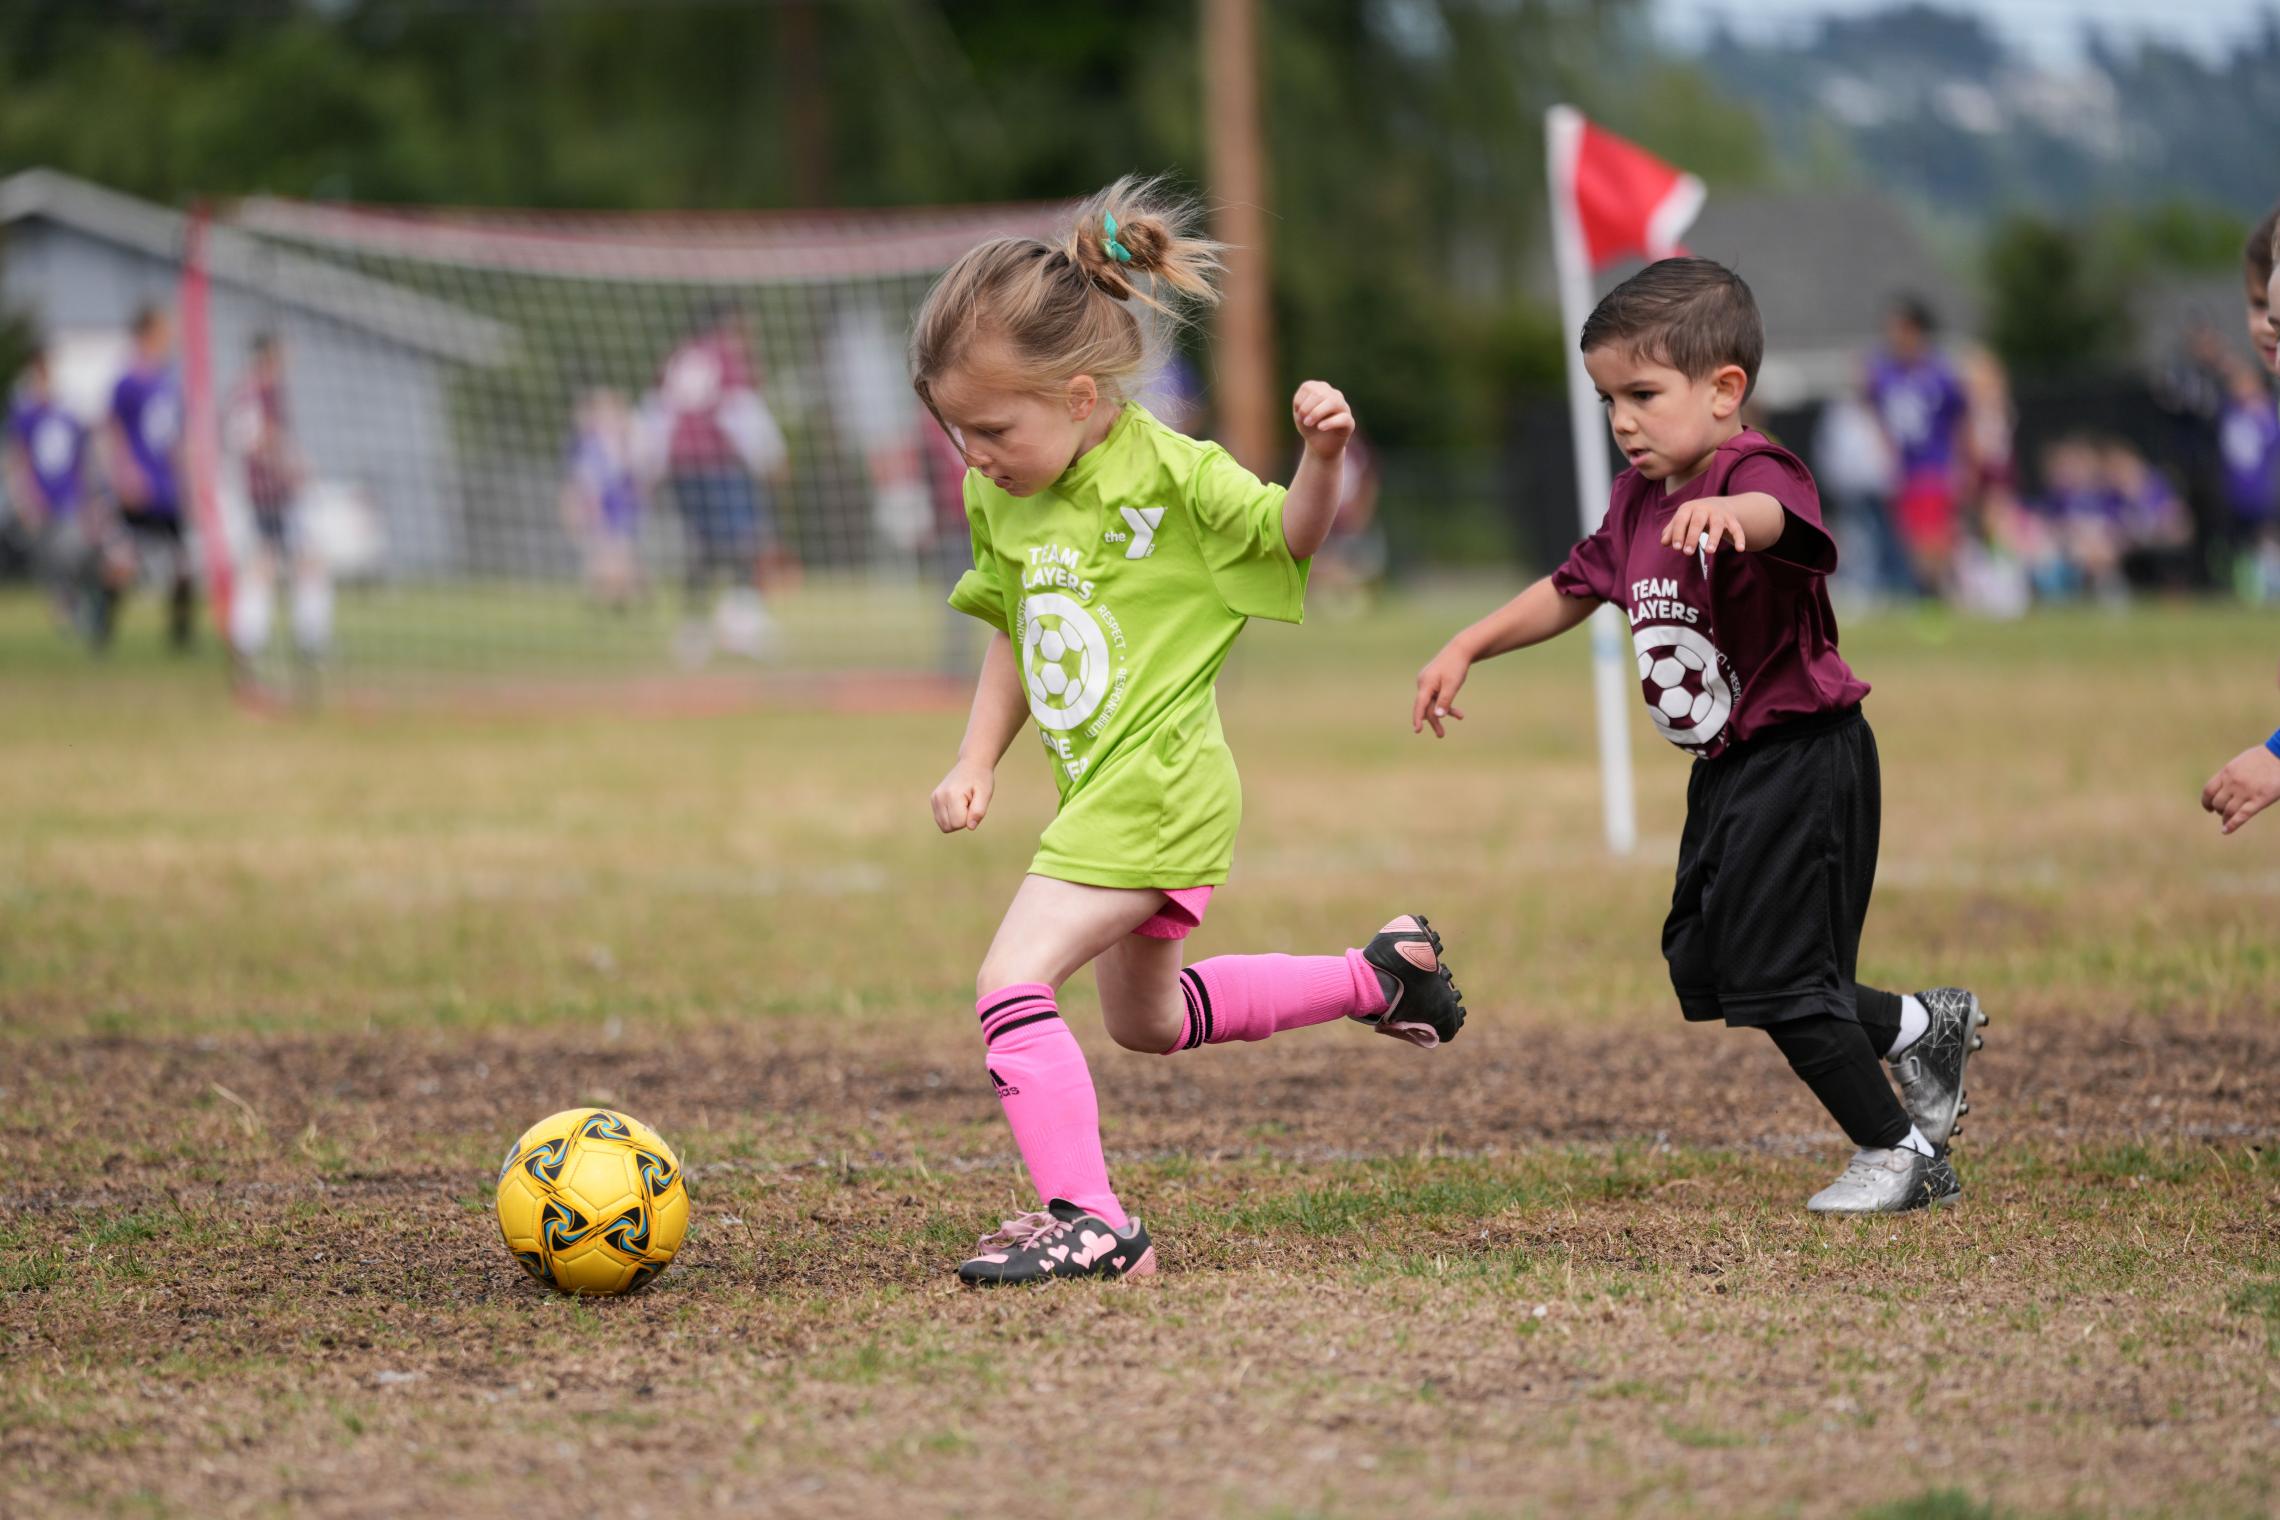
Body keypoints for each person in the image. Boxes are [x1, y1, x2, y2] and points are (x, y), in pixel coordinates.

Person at [913, 177, 1466, 1286]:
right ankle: (1383, 975)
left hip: (1160, 787)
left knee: (1009, 979)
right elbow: (1017, 630)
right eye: (957, 433)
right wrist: (977, 758)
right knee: (1149, 1023)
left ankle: (1093, 1219)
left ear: (1079, 395)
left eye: (991, 429)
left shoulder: (1173, 473)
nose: (974, 455)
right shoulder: (1004, 496)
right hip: (1102, 793)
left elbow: (1289, 539)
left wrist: (1321, 460)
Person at [1414, 257, 1985, 1216]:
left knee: (1786, 980)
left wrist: (1735, 516)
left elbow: (1786, 521)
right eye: (1607, 400)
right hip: (1729, 773)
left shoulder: (1751, 471)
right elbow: (1571, 586)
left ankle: (1901, 1154)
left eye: (1642, 394)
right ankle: (1921, 1025)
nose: (1622, 421)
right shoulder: (1639, 499)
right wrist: (1468, 642)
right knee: (1707, 961)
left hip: (1805, 757)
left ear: (1725, 391)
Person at [645, 303, 788, 663]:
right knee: (747, 538)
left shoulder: (679, 358)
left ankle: (693, 633)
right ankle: (742, 625)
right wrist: (770, 458)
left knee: (705, 548)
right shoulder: (725, 357)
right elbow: (741, 412)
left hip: (681, 466)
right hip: (715, 462)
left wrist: (651, 465)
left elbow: (659, 413)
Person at [223, 332, 330, 667]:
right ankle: (249, 640)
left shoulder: (261, 391)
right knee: (266, 564)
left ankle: (305, 640)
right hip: (267, 493)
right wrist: (288, 464)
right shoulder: (255, 391)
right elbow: (253, 439)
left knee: (304, 560)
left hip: (275, 493)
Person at [5, 345, 115, 645]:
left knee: (73, 550)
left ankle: (78, 606)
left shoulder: (67, 413)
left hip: (69, 497)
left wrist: (88, 498)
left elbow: (82, 458)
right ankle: (66, 607)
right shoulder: (25, 414)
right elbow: (20, 458)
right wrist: (26, 497)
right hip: (42, 499)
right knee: (50, 559)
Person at [1865, 295, 1971, 597]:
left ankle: (1938, 593)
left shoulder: (1941, 373)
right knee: (1913, 539)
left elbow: (1960, 420)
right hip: (1905, 469)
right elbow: (1878, 414)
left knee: (1934, 539)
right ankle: (1930, 593)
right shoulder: (1884, 373)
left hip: (1936, 464)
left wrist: (1963, 463)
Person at [106, 304, 195, 650]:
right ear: (146, 334)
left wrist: (186, 479)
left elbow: (176, 439)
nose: (170, 337)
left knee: (183, 564)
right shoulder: (127, 382)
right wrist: (125, 473)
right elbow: (113, 430)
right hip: (138, 485)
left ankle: (180, 639)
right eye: (163, 330)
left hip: (166, 487)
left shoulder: (169, 383)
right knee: (122, 561)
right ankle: (104, 631)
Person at [559, 387, 645, 611]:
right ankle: (606, 595)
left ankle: (623, 592)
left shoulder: (625, 438)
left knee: (619, 549)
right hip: (599, 500)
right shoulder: (587, 443)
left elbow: (633, 471)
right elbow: (581, 478)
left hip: (619, 500)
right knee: (601, 550)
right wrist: (578, 503)